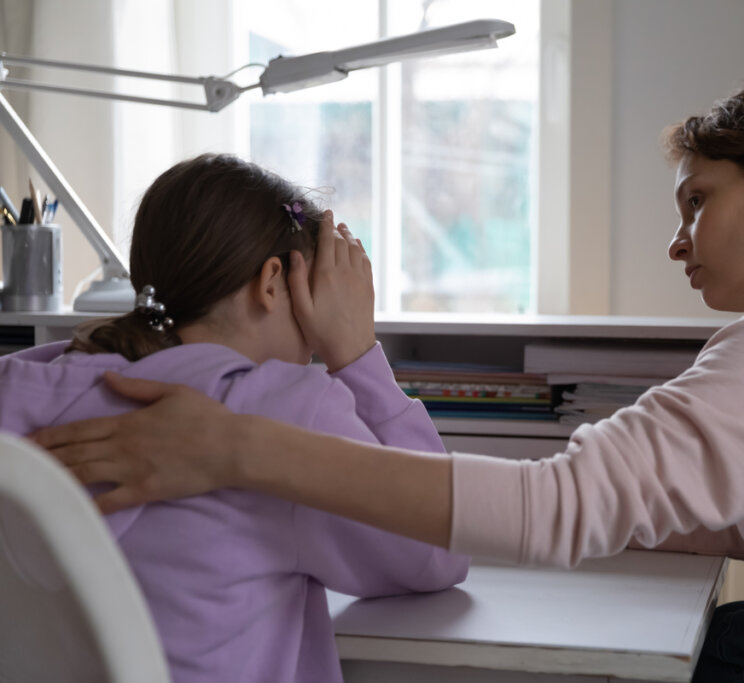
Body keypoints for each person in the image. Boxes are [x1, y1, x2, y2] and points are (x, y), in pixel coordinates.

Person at [31, 79, 744, 683]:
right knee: (731, 640)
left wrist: (233, 445)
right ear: (276, 282)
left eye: (698, 200)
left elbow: (560, 506)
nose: (675, 240)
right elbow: (742, 508)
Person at [0, 153, 469, 683]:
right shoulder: (282, 412)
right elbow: (439, 546)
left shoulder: (22, 382)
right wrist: (357, 354)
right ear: (273, 282)